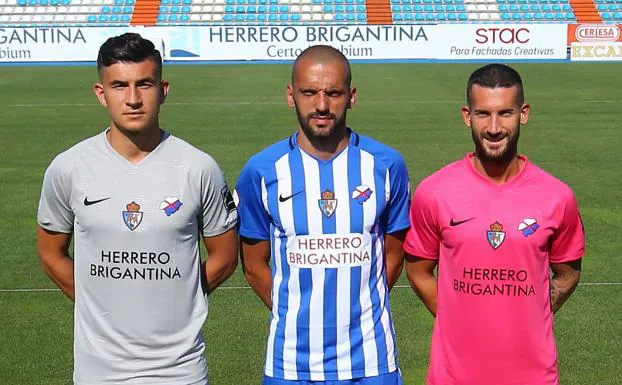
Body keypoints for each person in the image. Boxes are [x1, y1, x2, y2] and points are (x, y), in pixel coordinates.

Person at [36, 33, 238, 385]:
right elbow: (50, 252)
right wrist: (99, 304)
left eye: (144, 84)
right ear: (101, 94)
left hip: (181, 369)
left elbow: (226, 255)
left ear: (163, 89)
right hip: (98, 370)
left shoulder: (198, 167)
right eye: (119, 86)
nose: (132, 99)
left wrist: (180, 296)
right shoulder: (69, 167)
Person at [234, 45, 410, 385]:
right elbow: (254, 265)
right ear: (291, 95)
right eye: (309, 92)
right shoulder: (262, 171)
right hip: (291, 365)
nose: (322, 105)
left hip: (371, 362)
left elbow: (394, 254)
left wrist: (357, 311)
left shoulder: (387, 166)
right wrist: (296, 313)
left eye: (333, 93)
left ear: (351, 96)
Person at [404, 63, 585, 385]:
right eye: (483, 114)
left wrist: (531, 315)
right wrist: (457, 320)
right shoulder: (434, 191)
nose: (494, 127)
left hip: (533, 376)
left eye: (505, 113)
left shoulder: (557, 197)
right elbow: (418, 270)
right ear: (466, 116)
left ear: (524, 114)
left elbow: (568, 272)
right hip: (453, 376)